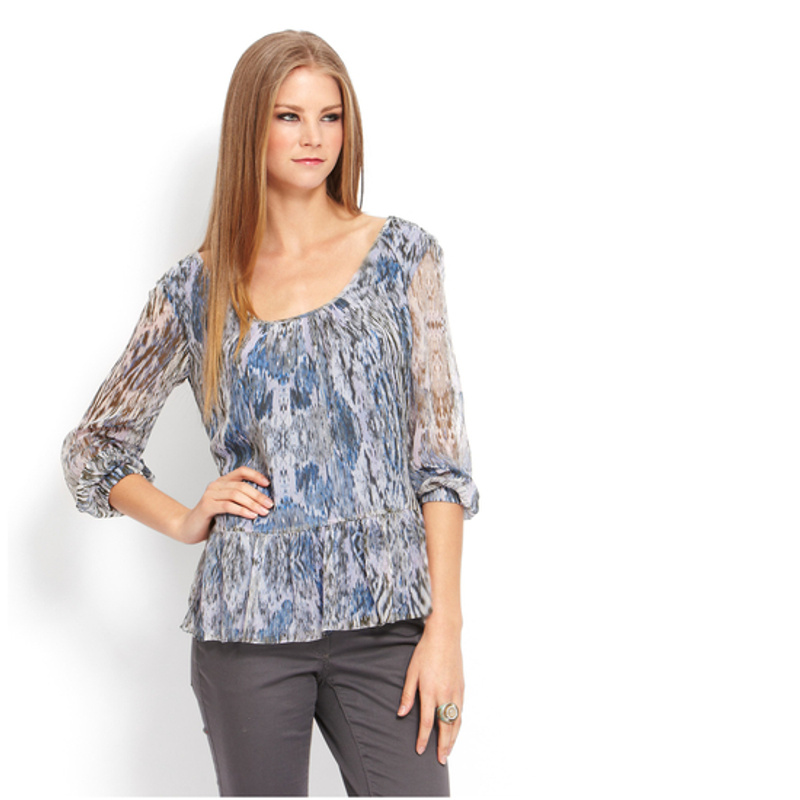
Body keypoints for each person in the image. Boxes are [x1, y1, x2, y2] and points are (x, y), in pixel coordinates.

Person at [61, 30, 478, 797]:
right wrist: (185, 518)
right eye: (289, 116)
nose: (313, 137)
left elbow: (442, 462)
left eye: (330, 116)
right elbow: (94, 447)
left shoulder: (403, 258)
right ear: (251, 126)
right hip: (249, 623)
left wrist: (445, 628)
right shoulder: (196, 289)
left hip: (388, 623)